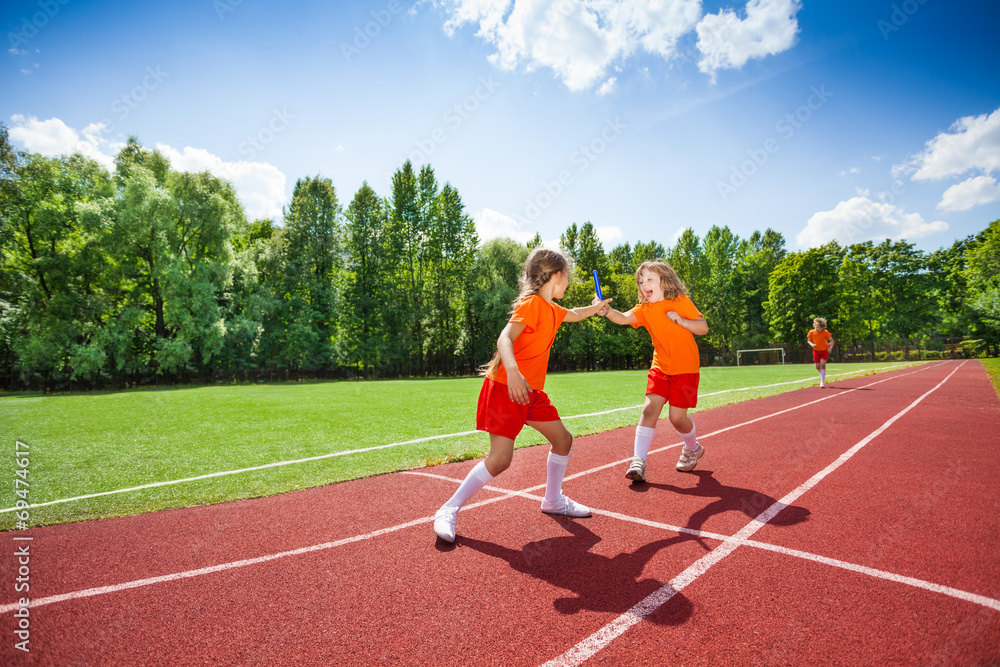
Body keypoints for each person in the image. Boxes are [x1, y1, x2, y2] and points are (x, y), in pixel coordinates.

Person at [433, 248, 611, 543]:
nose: (568, 283)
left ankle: (553, 501)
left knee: (563, 440)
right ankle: (448, 509)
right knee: (501, 460)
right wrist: (513, 371)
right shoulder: (531, 304)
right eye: (567, 277)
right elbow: (505, 337)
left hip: (531, 392)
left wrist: (597, 307)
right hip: (506, 387)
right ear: (556, 276)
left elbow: (576, 314)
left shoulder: (552, 309)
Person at [596, 260, 709, 483]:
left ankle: (692, 448)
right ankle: (638, 461)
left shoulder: (680, 301)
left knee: (677, 419)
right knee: (649, 410)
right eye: (641, 281)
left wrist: (682, 321)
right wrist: (607, 311)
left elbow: (703, 328)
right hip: (660, 368)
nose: (644, 283)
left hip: (685, 370)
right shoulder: (644, 309)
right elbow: (623, 318)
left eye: (649, 279)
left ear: (664, 281)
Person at [807, 317, 834, 388]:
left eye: (819, 327)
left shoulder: (825, 332)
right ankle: (822, 375)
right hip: (816, 351)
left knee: (823, 365)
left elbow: (832, 341)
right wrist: (812, 344)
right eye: (816, 327)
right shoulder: (811, 332)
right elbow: (809, 340)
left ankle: (822, 382)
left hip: (824, 351)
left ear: (822, 328)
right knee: (817, 367)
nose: (817, 329)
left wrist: (830, 348)